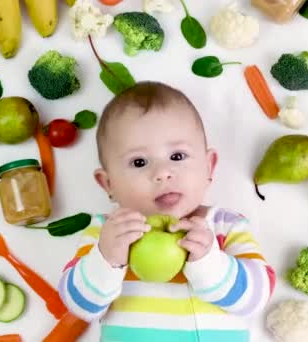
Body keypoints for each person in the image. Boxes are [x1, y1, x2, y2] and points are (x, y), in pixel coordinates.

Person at [58, 81, 276, 341]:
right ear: (109, 184)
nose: (162, 173)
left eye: (177, 156)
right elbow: (79, 305)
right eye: (139, 162)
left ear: (209, 167)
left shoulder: (225, 226)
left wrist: (210, 263)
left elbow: (258, 297)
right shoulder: (110, 232)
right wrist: (106, 260)